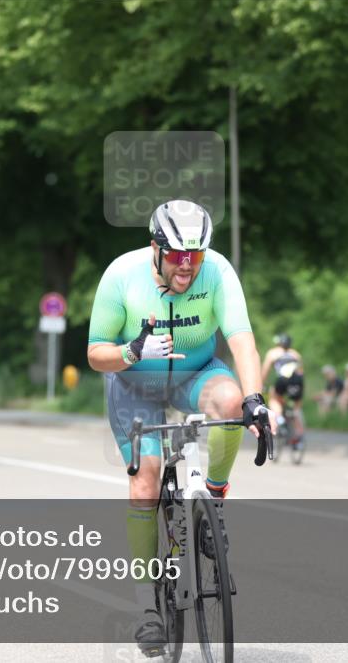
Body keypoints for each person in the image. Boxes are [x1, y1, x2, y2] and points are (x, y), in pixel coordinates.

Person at [86, 199, 273, 656]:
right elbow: (95, 354)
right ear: (155, 247)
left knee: (231, 403)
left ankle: (214, 501)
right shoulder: (121, 275)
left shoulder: (218, 272)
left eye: (196, 254)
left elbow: (242, 341)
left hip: (196, 374)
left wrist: (255, 399)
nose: (187, 265)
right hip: (135, 384)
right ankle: (148, 607)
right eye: (176, 254)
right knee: (145, 485)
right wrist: (133, 351)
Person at [261, 333, 305, 445]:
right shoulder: (295, 354)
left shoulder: (273, 353)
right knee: (296, 408)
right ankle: (299, 437)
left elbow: (265, 371)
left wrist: (261, 384)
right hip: (298, 381)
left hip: (283, 380)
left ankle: (279, 419)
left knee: (274, 398)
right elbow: (301, 372)